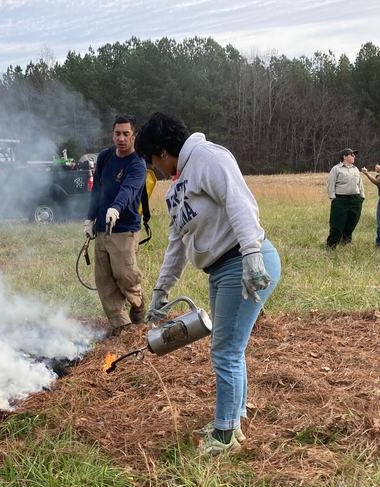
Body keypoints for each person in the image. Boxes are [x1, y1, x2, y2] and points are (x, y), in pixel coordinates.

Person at [135, 112, 281, 458]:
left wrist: (251, 255)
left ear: (162, 150)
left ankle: (226, 434)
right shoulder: (179, 186)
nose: (152, 168)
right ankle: (233, 418)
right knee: (230, 347)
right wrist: (160, 291)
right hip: (220, 269)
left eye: (151, 159)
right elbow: (177, 243)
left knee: (225, 351)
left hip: (243, 263)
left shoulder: (210, 158)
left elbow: (240, 203)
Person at [84, 115, 147, 336]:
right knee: (104, 279)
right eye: (117, 133)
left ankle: (138, 308)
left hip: (124, 229)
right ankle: (123, 327)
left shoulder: (137, 163)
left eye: (126, 134)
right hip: (102, 228)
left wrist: (116, 208)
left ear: (134, 136)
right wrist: (90, 218)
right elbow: (97, 190)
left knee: (125, 275)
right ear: (112, 134)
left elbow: (128, 190)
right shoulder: (105, 157)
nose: (121, 139)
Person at [325, 148, 364, 248]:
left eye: (354, 155)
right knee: (337, 223)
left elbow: (360, 183)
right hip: (341, 200)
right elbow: (330, 184)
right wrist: (333, 198)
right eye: (352, 154)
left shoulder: (355, 169)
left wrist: (361, 196)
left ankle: (346, 242)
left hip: (355, 200)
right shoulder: (336, 169)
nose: (354, 156)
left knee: (352, 221)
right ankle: (332, 244)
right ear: (345, 156)